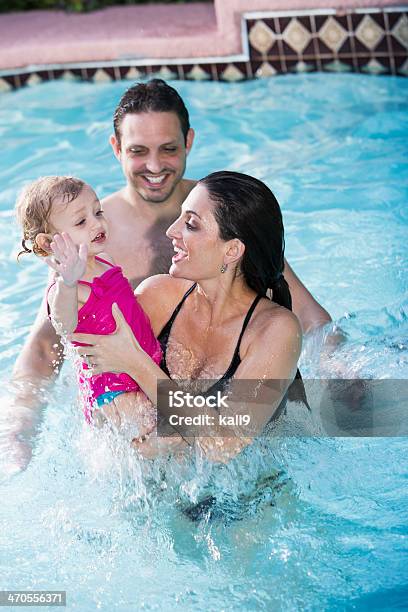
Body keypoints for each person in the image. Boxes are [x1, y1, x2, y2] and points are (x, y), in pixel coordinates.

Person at [4, 79, 330, 469]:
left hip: (249, 463)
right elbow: (60, 343)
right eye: (139, 151)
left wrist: (346, 374)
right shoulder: (84, 239)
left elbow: (308, 321)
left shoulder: (234, 221)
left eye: (169, 149)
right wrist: (17, 430)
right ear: (116, 148)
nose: (155, 166)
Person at [73, 171, 305, 463]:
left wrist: (136, 363)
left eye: (191, 224)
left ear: (231, 250)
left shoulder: (275, 331)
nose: (171, 231)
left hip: (253, 499)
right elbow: (94, 365)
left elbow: (224, 445)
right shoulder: (160, 295)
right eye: (180, 217)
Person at [15, 176, 162, 438]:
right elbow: (63, 324)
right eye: (82, 221)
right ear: (49, 243)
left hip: (138, 367)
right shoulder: (65, 288)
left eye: (98, 212)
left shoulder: (104, 259)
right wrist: (68, 283)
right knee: (157, 439)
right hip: (114, 388)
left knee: (163, 433)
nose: (97, 223)